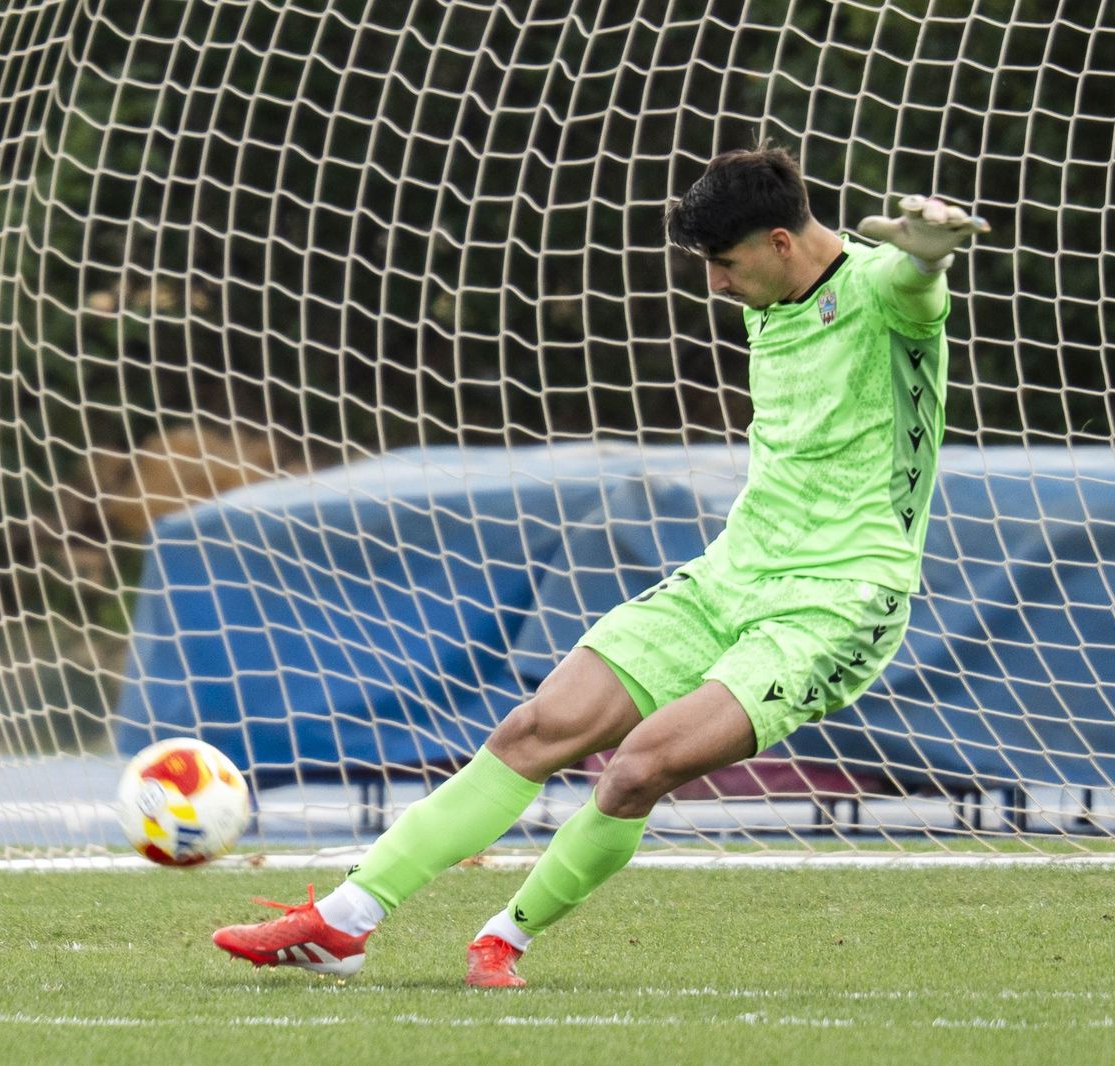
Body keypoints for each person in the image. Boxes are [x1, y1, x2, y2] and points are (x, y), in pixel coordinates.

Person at [212, 144, 989, 987]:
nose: (717, 286)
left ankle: (504, 938)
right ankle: (342, 923)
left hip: (840, 600)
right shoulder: (771, 294)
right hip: (737, 569)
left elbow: (914, 291)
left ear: (779, 242)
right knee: (537, 728)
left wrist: (923, 256)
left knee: (640, 765)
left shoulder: (880, 287)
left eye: (725, 266)